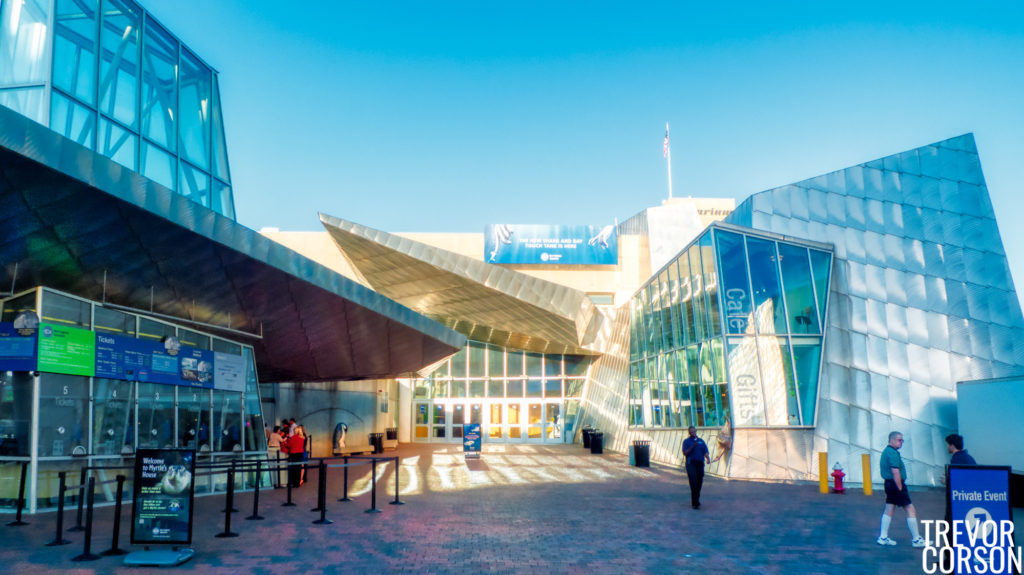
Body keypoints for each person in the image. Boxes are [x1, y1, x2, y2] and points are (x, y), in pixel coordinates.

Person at [877, 431, 926, 547]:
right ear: (892, 440)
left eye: (902, 440)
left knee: (889, 509)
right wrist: (900, 488)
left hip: (889, 484)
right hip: (896, 484)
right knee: (910, 509)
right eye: (899, 440)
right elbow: (895, 471)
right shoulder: (893, 453)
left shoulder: (887, 451)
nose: (901, 443)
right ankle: (916, 539)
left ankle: (883, 537)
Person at [682, 426, 711, 509]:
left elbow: (705, 451)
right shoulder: (686, 441)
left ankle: (697, 498)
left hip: (700, 463)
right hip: (691, 464)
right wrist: (693, 446)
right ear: (689, 433)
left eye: (694, 431)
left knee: (699, 481)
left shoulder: (701, 441)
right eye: (691, 432)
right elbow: (685, 452)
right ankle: (695, 503)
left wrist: (708, 458)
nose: (693, 433)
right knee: (693, 482)